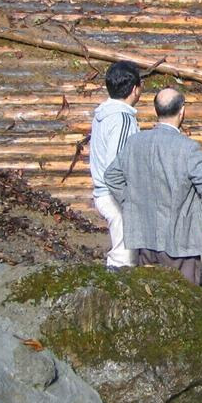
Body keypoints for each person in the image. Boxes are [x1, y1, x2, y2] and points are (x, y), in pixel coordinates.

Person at [104, 87, 202, 285]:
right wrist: (196, 219)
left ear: (156, 110)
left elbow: (111, 176)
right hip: (181, 243)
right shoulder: (188, 148)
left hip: (145, 239)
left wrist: (131, 205)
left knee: (150, 295)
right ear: (182, 111)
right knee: (186, 298)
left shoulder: (135, 142)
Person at [89, 60, 142, 268]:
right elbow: (116, 166)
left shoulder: (103, 114)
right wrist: (128, 200)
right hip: (115, 196)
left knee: (125, 255)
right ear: (135, 89)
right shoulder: (122, 118)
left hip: (104, 192)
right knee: (124, 259)